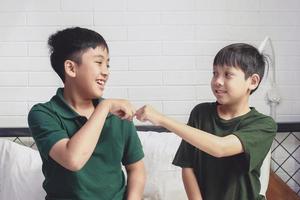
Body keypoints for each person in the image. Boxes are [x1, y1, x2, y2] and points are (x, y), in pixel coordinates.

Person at [135, 43, 277, 200]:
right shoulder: (200, 113)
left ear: (253, 81)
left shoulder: (263, 125)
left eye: (227, 74)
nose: (217, 81)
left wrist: (161, 119)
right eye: (215, 73)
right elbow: (187, 165)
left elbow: (220, 148)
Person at [28, 27, 146, 200]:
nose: (106, 72)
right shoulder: (43, 114)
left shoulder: (118, 114)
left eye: (108, 64)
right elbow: (73, 159)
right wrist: (104, 107)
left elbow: (136, 168)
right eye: (99, 62)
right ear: (71, 68)